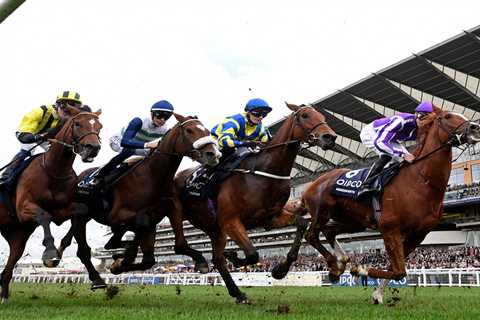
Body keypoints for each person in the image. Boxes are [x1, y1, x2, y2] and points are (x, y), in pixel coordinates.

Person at [0, 91, 85, 188]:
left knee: (59, 154)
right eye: (64, 108)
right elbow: (23, 136)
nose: (67, 113)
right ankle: (6, 176)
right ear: (57, 105)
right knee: (28, 150)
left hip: (47, 138)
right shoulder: (39, 112)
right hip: (29, 134)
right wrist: (38, 137)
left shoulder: (70, 120)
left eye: (72, 110)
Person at [88, 100, 174, 188]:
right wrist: (147, 145)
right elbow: (125, 142)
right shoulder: (138, 121)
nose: (162, 120)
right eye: (159, 116)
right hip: (119, 142)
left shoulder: (165, 129)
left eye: (166, 117)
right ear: (152, 114)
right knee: (129, 151)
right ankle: (99, 177)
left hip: (139, 147)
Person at [357, 101, 435, 196]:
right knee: (388, 156)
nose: (424, 126)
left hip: (390, 138)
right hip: (371, 133)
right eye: (424, 121)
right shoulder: (401, 120)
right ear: (418, 116)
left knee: (408, 161)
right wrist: (403, 154)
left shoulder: (421, 128)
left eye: (428, 124)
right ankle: (365, 186)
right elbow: (380, 142)